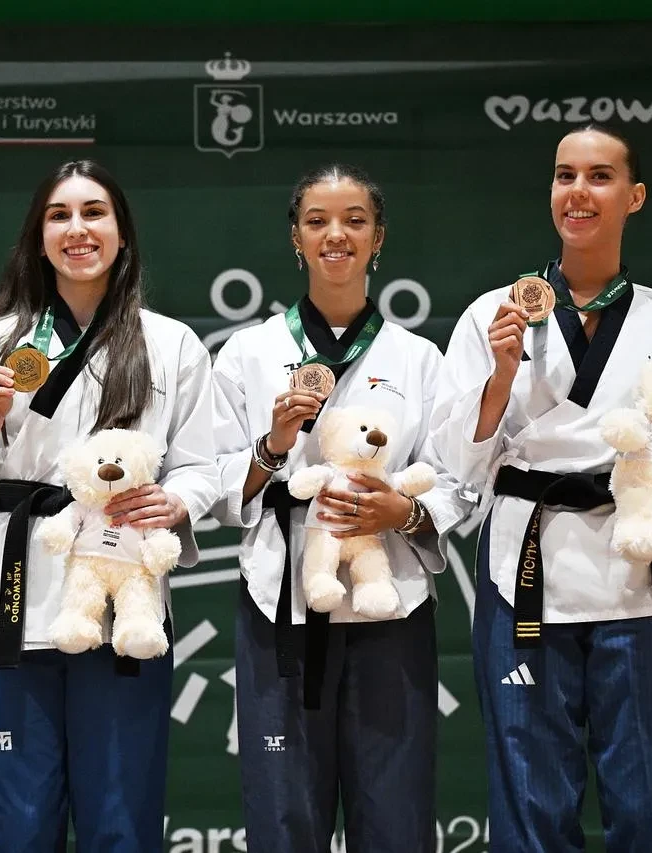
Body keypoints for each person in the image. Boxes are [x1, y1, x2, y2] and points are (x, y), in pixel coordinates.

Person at [432, 124, 652, 852]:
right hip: (525, 571)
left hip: (637, 570)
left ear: (635, 196)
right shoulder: (495, 314)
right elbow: (456, 465)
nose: (578, 191)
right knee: (529, 796)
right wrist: (500, 376)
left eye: (600, 176)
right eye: (564, 175)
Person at [0, 159, 220, 852]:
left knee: (121, 817)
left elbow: (204, 464)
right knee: (16, 822)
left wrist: (174, 500)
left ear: (122, 233)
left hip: (123, 594)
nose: (77, 229)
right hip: (14, 592)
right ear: (38, 237)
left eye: (94, 213)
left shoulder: (170, 342)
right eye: (59, 215)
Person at [210, 163, 471, 851]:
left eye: (355, 221)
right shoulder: (250, 352)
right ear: (295, 238)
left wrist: (401, 513)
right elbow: (214, 481)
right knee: (284, 816)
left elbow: (454, 479)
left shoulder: (418, 357)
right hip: (282, 599)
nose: (336, 234)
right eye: (317, 221)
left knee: (396, 816)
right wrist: (273, 446)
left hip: (393, 605)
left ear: (378, 238)